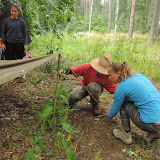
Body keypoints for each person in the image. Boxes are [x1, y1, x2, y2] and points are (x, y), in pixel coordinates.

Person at [107, 61, 160, 144]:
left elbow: (115, 108)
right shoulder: (140, 76)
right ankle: (155, 134)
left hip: (151, 125)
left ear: (118, 73)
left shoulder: (121, 88)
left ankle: (126, 136)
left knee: (123, 104)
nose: (109, 78)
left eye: (110, 75)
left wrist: (109, 116)